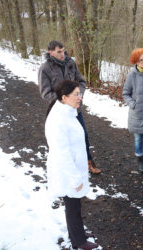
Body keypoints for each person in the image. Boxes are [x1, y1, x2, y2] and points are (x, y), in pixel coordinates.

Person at [45, 80, 99, 250]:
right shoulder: (59, 119)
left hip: (72, 168)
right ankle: (78, 241)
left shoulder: (67, 112)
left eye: (79, 93)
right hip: (67, 171)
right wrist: (75, 178)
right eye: (76, 94)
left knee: (74, 205)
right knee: (73, 206)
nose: (79, 97)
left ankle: (77, 233)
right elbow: (63, 153)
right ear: (64, 97)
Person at [38, 40, 101, 174]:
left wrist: (78, 95)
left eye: (63, 50)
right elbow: (45, 93)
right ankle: (66, 167)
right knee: (62, 140)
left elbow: (82, 81)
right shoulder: (45, 68)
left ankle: (88, 162)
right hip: (58, 111)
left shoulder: (70, 63)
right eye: (59, 52)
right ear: (51, 52)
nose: (63, 54)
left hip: (75, 110)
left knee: (83, 136)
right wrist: (63, 101)